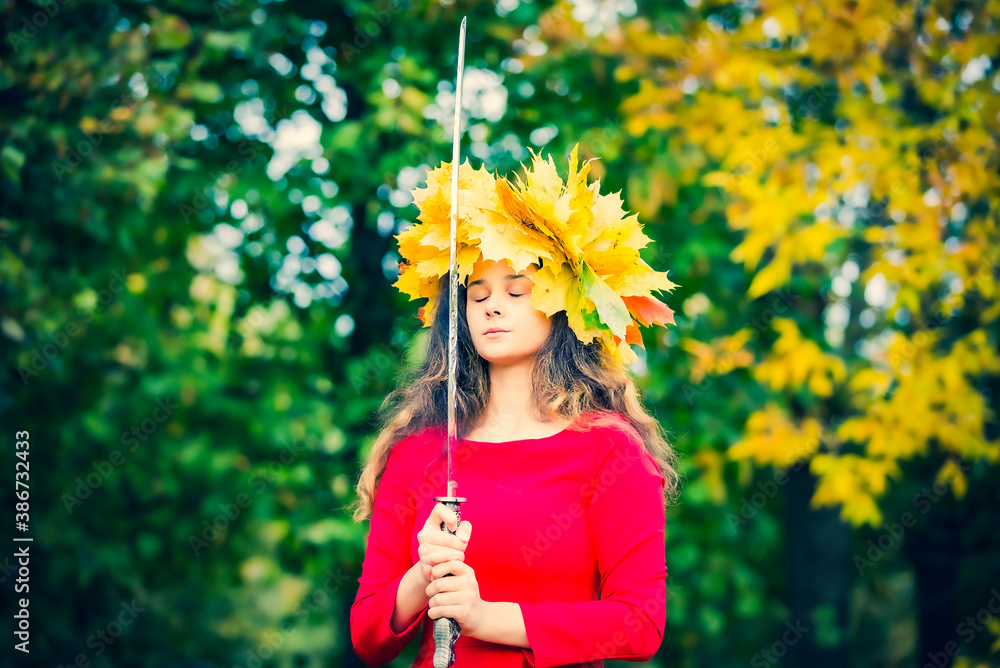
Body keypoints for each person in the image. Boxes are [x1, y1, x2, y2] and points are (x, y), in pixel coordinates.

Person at [349, 147, 680, 667]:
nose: (492, 307)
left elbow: (639, 623)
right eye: (477, 295)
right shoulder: (416, 452)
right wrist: (423, 573)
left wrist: (485, 618)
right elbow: (367, 638)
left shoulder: (609, 450)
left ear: (563, 307)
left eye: (517, 291)